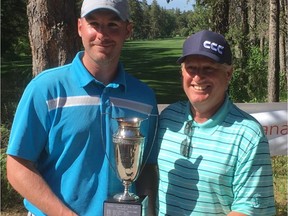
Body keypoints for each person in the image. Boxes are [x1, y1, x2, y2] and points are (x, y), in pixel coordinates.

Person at [6, 0, 158, 215]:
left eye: (113, 25)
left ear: (128, 30)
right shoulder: (46, 89)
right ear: (80, 27)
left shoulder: (144, 98)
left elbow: (146, 168)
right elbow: (17, 166)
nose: (102, 34)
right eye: (94, 24)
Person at [156, 30, 276, 215]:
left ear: (228, 74)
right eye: (191, 68)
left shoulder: (248, 135)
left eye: (208, 68)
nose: (197, 77)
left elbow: (248, 209)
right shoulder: (167, 118)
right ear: (182, 71)